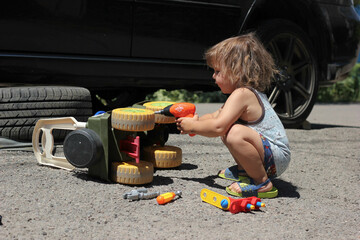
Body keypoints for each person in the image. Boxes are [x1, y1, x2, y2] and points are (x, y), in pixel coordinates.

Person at [176, 32, 291, 198]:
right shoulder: (242, 94)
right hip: (271, 155)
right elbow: (217, 116)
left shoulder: (243, 94)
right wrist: (197, 120)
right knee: (229, 129)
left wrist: (193, 127)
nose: (213, 76)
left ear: (237, 71)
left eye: (217, 71)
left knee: (233, 132)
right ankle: (246, 172)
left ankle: (261, 182)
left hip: (276, 157)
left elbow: (217, 126)